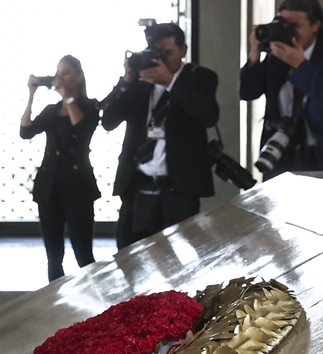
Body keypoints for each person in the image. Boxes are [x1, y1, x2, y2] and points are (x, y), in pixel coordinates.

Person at [101, 22, 219, 251]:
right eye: (157, 53)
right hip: (138, 185)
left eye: (168, 53)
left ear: (183, 50)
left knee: (179, 260)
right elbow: (108, 121)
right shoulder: (139, 82)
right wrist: (126, 82)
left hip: (179, 189)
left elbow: (209, 117)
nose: (162, 60)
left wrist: (170, 82)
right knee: (129, 257)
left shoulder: (201, 78)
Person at [238, 0, 323, 178]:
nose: (288, 31)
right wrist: (254, 55)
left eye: (295, 26)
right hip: (283, 153)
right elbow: (248, 92)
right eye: (283, 24)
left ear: (315, 25)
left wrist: (300, 65)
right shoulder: (275, 54)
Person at [20, 56, 100, 281]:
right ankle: (54, 300)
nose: (60, 77)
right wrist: (31, 95)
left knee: (82, 252)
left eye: (66, 73)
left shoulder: (90, 106)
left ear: (79, 77)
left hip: (78, 186)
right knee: (53, 254)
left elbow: (83, 129)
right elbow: (26, 131)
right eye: (58, 73)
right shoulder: (51, 110)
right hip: (50, 185)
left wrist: (67, 97)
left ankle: (95, 303)